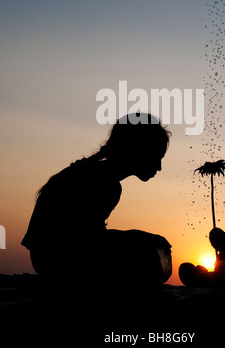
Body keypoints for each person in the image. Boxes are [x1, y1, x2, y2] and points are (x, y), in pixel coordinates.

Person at [21, 113, 172, 292]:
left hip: (46, 259)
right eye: (157, 157)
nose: (159, 167)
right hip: (56, 261)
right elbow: (83, 242)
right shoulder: (104, 184)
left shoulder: (95, 173)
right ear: (137, 150)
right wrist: (137, 237)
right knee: (147, 255)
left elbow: (89, 236)